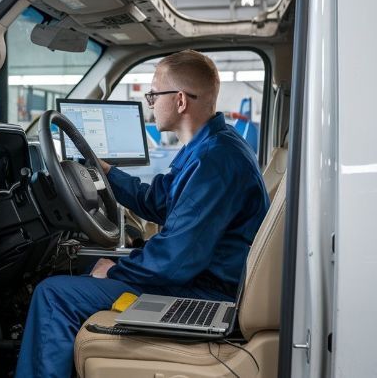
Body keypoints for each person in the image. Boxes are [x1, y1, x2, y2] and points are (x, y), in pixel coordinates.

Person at [15, 50, 270, 378]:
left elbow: (175, 261)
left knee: (52, 295)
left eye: (154, 93)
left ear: (179, 100)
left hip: (206, 293)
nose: (149, 101)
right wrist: (105, 172)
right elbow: (158, 200)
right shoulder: (213, 147)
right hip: (206, 281)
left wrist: (118, 271)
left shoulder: (214, 162)